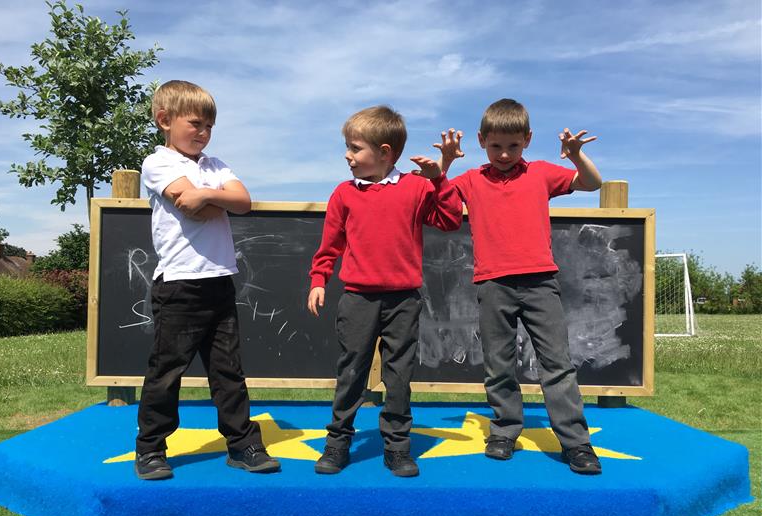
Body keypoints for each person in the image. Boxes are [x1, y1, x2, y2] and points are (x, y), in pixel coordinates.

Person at [437, 98, 604, 474]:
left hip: (540, 282)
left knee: (557, 363)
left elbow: (592, 184)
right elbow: (433, 198)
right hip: (493, 283)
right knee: (499, 364)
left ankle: (576, 443)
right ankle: (503, 432)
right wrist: (446, 163)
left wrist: (576, 156)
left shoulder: (542, 173)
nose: (504, 154)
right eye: (496, 145)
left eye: (513, 145)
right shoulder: (470, 180)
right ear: (481, 141)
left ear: (527, 140)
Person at [134, 80, 280, 480]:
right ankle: (151, 449)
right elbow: (191, 206)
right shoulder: (158, 162)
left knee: (228, 371)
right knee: (166, 372)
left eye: (209, 127)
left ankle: (242, 443)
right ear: (165, 120)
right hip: (179, 286)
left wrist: (207, 194)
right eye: (195, 123)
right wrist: (214, 198)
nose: (203, 133)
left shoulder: (215, 166)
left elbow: (244, 202)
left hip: (220, 283)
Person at [308, 105, 462, 477]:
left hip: (403, 301)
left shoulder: (415, 187)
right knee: (351, 372)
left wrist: (439, 179)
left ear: (384, 152)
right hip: (358, 298)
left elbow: (450, 219)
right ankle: (338, 443)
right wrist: (318, 280)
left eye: (355, 148)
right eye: (347, 147)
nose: (348, 156)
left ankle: (397, 447)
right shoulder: (344, 194)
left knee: (398, 375)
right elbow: (330, 245)